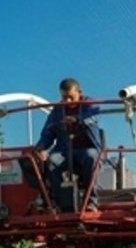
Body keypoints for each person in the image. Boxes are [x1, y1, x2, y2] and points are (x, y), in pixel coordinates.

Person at [33, 78, 103, 212]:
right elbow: (48, 132)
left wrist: (78, 120)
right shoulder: (57, 111)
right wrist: (41, 147)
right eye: (64, 98)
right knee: (52, 161)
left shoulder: (89, 104)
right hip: (65, 151)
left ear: (79, 92)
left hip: (87, 149)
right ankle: (62, 204)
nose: (67, 101)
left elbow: (94, 116)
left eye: (71, 97)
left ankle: (92, 202)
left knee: (91, 156)